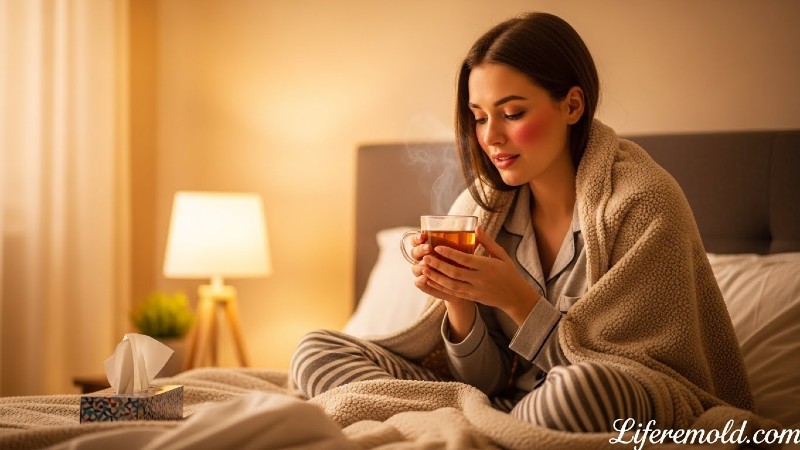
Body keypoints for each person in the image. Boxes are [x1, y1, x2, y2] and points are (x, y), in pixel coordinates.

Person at [291, 11, 753, 432]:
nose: (491, 137)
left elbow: (633, 370)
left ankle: (477, 423)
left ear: (572, 106)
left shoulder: (642, 203)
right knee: (316, 351)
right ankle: (486, 424)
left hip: (597, 393)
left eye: (512, 113)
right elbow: (486, 382)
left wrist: (517, 300)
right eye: (479, 118)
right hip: (504, 403)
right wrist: (458, 301)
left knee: (581, 391)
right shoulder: (482, 209)